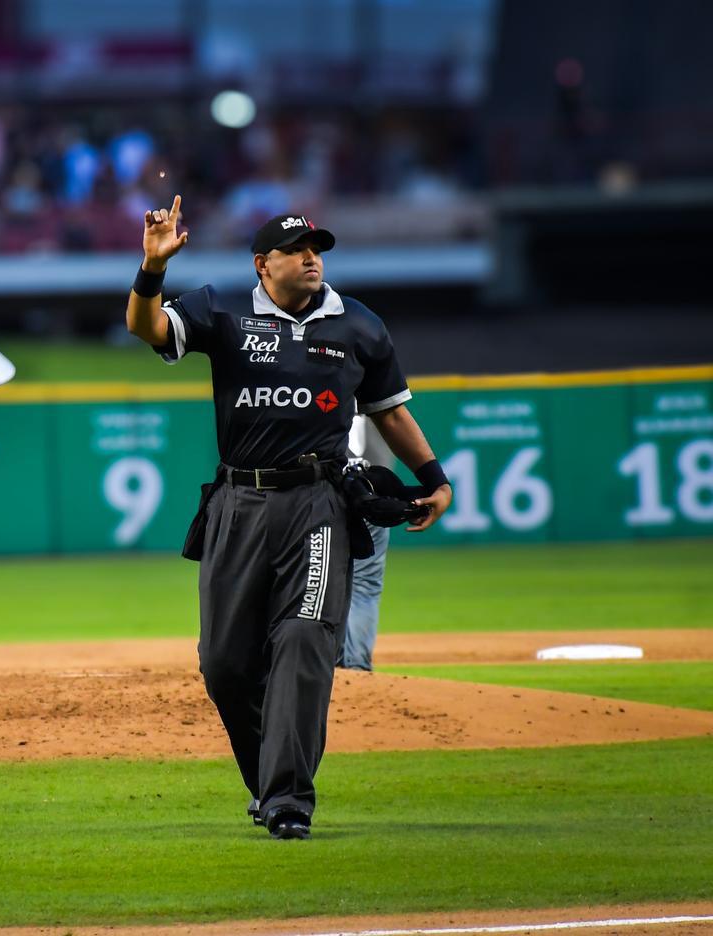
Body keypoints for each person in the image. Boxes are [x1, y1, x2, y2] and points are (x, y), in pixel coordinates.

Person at [124, 196, 452, 840]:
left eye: (318, 250)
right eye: (297, 250)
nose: (311, 259)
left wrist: (434, 479)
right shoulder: (222, 309)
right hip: (237, 506)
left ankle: (287, 801)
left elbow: (388, 409)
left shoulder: (357, 325)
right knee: (223, 664)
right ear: (262, 264)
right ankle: (268, 781)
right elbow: (146, 328)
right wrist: (152, 268)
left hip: (317, 504)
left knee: (305, 641)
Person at [341, 415, 392, 672]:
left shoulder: (313, 384)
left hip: (325, 496)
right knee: (364, 585)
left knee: (318, 579)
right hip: (373, 495)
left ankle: (334, 663)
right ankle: (358, 668)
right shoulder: (379, 391)